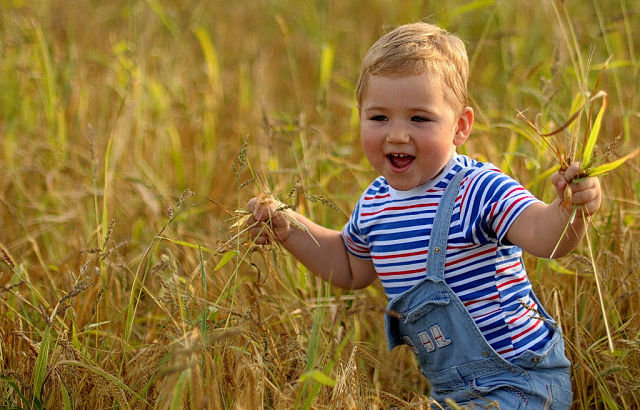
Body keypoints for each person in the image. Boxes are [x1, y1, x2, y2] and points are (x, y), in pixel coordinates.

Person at [247, 22, 601, 408]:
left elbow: (544, 237)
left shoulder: (478, 189)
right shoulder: (375, 202)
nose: (397, 135)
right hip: (449, 393)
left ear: (460, 126)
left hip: (519, 382)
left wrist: (570, 210)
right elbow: (349, 267)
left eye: (419, 119)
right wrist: (289, 226)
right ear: (360, 116)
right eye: (379, 118)